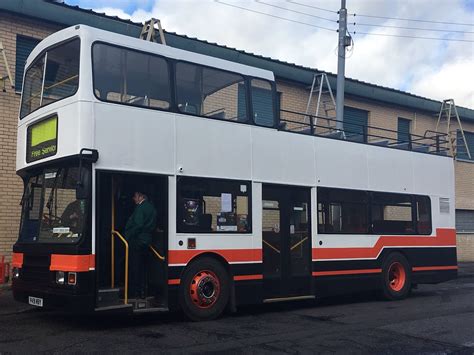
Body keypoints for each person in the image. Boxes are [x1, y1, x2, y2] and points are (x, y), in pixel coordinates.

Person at [123, 190, 157, 299]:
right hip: (147, 241)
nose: (133, 199)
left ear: (140, 196)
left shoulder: (140, 208)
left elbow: (138, 224)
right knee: (144, 268)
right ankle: (144, 291)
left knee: (135, 267)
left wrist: (127, 236)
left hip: (137, 241)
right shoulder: (152, 208)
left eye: (135, 196)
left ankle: (135, 292)